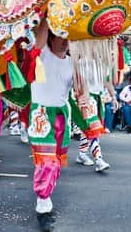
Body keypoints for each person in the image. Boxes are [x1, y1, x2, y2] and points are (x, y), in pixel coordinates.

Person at [28, 20, 78, 231]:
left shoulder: (71, 63)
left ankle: (45, 196)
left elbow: (78, 91)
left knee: (55, 164)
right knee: (47, 163)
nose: (66, 42)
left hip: (61, 116)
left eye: (68, 38)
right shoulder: (42, 54)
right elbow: (40, 35)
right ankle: (43, 207)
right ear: (51, 37)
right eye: (61, 37)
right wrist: (50, 7)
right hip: (41, 115)